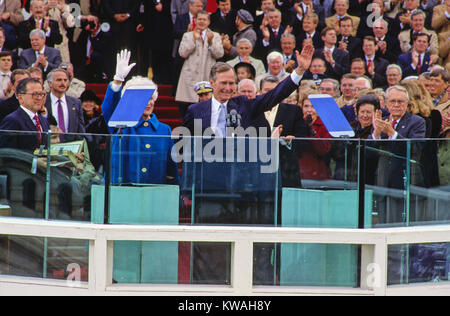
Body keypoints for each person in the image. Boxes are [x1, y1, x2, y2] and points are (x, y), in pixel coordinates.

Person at [183, 43, 315, 136]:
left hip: (238, 171)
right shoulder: (195, 111)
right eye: (223, 83)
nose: (228, 88)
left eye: (231, 83)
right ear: (212, 83)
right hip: (207, 171)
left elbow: (274, 95)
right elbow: (183, 146)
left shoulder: (244, 104)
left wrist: (299, 70)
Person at [101, 49, 180, 185]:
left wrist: (176, 195)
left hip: (153, 194)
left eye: (151, 98)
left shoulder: (164, 130)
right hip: (122, 193)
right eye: (143, 99)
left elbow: (171, 168)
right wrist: (118, 81)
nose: (149, 103)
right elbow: (108, 109)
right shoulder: (122, 124)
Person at [175, 10, 224, 107]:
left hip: (207, 74)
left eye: (204, 19)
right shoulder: (187, 35)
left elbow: (219, 54)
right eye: (199, 19)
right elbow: (182, 53)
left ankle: (199, 123)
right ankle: (191, 123)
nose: (201, 22)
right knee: (189, 109)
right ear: (195, 20)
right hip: (190, 76)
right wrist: (193, 40)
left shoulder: (215, 36)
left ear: (208, 22)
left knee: (203, 109)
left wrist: (210, 43)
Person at [0, 78, 50, 151]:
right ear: (20, 97)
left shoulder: (43, 120)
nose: (39, 98)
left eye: (41, 94)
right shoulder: (12, 120)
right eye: (34, 94)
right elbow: (7, 153)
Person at [297, 88, 332, 180]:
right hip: (297, 172)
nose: (309, 110)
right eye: (306, 106)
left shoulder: (325, 125)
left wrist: (311, 129)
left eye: (313, 106)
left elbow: (323, 150)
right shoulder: (296, 123)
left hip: (318, 174)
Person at [43, 68, 85, 142]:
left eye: (65, 80)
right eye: (59, 80)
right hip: (48, 147)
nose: (63, 83)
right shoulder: (42, 102)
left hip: (71, 149)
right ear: (50, 83)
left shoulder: (76, 103)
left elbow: (80, 130)